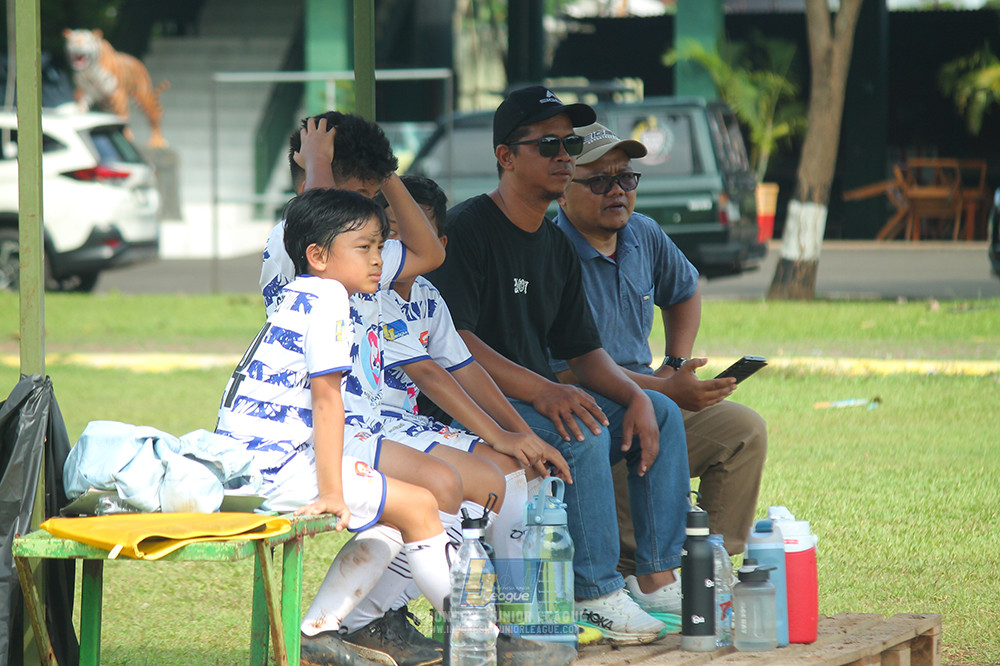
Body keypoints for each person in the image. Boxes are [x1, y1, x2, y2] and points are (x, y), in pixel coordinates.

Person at [260, 116, 574, 666]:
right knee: (439, 490)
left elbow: (430, 255)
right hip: (330, 427)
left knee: (481, 482)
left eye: (372, 201)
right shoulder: (297, 244)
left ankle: (378, 619)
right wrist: (316, 165)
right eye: (356, 197)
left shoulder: (367, 265)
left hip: (377, 424)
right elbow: (315, 215)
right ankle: (439, 626)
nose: (373, 216)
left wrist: (387, 175)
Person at [427, 86, 692, 645]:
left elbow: (584, 352)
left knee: (661, 411)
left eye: (568, 143)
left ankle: (657, 575)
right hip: (472, 410)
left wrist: (638, 395)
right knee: (580, 432)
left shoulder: (553, 245)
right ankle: (595, 593)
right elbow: (455, 340)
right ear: (505, 156)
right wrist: (544, 391)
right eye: (547, 143)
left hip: (531, 399)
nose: (563, 155)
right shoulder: (470, 228)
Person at [216, 188, 452, 666]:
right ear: (318, 255)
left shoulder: (304, 293)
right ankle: (478, 636)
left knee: (397, 512)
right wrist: (331, 492)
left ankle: (319, 632)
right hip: (271, 470)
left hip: (246, 463)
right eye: (363, 247)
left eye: (381, 246)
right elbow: (328, 402)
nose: (378, 259)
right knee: (422, 504)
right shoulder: (329, 301)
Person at [551, 122, 768, 566]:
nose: (617, 191)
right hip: (590, 412)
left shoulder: (642, 234)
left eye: (626, 178)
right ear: (561, 191)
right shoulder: (550, 252)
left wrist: (673, 364)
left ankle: (712, 567)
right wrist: (663, 390)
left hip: (651, 396)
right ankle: (648, 569)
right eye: (598, 181)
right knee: (630, 549)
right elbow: (565, 369)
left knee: (743, 432)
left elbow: (685, 290)